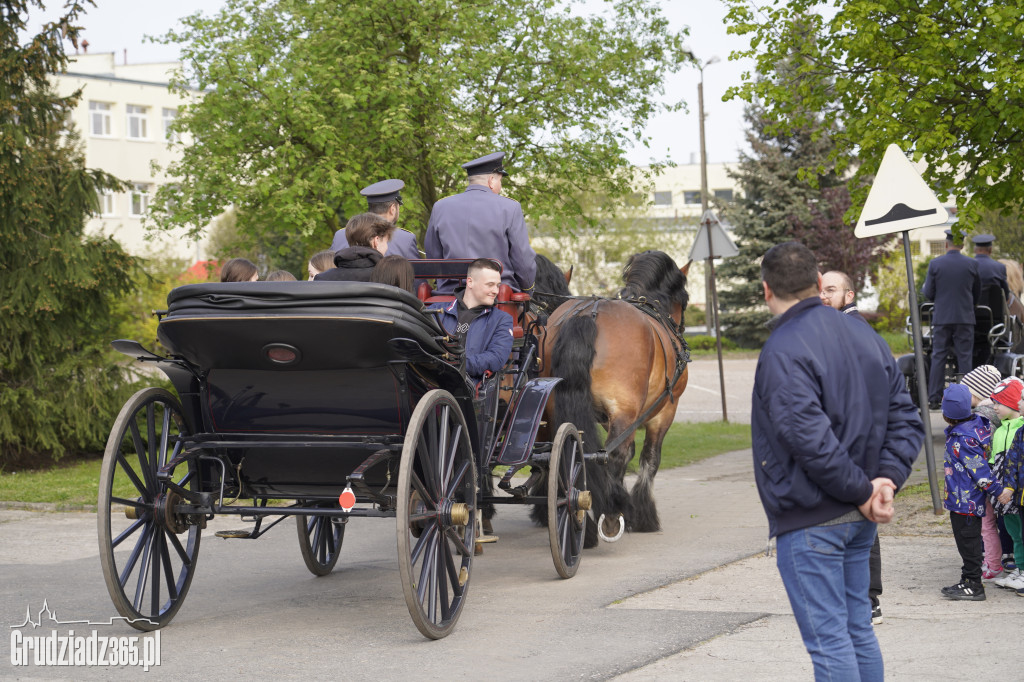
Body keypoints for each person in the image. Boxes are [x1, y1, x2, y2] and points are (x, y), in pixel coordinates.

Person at [752, 241, 923, 680]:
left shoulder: (783, 348)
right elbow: (907, 417)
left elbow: (810, 440)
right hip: (854, 512)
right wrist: (882, 481)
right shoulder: (865, 335)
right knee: (856, 630)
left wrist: (876, 484)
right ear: (816, 285)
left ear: (766, 290)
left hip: (815, 518)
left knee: (834, 643)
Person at [819, 269, 884, 624]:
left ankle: (868, 600)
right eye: (821, 291)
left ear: (849, 293)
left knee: (860, 522)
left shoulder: (852, 330)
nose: (824, 296)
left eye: (832, 290)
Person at [425, 151, 537, 294]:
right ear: (491, 180)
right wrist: (527, 289)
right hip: (498, 297)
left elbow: (433, 256)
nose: (500, 186)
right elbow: (523, 260)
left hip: (449, 295)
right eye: (500, 181)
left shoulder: (440, 207)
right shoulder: (510, 208)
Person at [940, 382, 1011, 601]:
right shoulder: (975, 427)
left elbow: (979, 470)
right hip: (959, 499)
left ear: (946, 413)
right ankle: (967, 579)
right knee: (966, 542)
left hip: (966, 503)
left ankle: (974, 585)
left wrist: (998, 491)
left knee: (968, 543)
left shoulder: (964, 438)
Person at [921, 229, 981, 410]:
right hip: (964, 317)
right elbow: (977, 293)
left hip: (942, 317)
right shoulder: (972, 264)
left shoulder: (935, 264)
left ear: (946, 244)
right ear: (962, 245)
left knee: (938, 355)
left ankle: (933, 398)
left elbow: (928, 293)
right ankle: (967, 398)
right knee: (965, 357)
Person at [429, 258, 514, 381]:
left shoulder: (502, 319)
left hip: (469, 387)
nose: (496, 291)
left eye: (498, 286)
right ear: (470, 282)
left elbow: (496, 358)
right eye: (490, 285)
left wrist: (458, 364)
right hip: (429, 380)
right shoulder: (436, 311)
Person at [960, 364, 1007, 578]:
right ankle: (1001, 557)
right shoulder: (998, 416)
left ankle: (991, 562)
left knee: (986, 522)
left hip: (984, 476)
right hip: (996, 475)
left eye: (967, 391)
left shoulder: (981, 418)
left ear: (978, 392)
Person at [329, 179, 420, 260]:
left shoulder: (340, 235)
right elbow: (417, 277)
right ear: (392, 209)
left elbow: (328, 271)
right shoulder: (405, 239)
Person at [990, 378, 1024, 591]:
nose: (995, 407)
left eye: (999, 403)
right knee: (1013, 532)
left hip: (1017, 493)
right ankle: (1019, 570)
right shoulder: (1000, 430)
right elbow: (997, 462)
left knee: (1021, 532)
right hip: (1004, 492)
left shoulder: (1018, 429)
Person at [314, 213, 394, 282]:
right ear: (376, 241)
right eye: (386, 242)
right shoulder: (390, 278)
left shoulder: (322, 279)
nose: (387, 247)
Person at [971, 234, 1010, 298]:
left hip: (971, 306)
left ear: (975, 250)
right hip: (994, 307)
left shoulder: (967, 266)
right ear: (990, 250)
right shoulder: (1000, 267)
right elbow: (1006, 294)